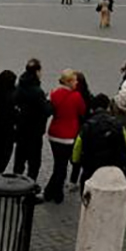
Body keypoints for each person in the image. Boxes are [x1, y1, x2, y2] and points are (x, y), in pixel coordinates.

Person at [43, 70, 88, 204]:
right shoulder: (76, 96)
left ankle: (50, 192)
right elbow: (82, 111)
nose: (77, 82)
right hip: (68, 135)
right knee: (61, 167)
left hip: (54, 133)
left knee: (59, 164)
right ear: (68, 82)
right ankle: (55, 193)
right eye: (74, 80)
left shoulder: (54, 93)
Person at [72, 94, 126, 186]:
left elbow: (77, 146)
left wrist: (75, 161)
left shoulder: (87, 125)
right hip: (113, 166)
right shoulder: (119, 125)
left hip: (91, 166)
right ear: (108, 107)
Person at [13, 58, 50, 181]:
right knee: (34, 164)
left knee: (19, 161)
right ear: (37, 72)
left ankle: (16, 186)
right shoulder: (37, 91)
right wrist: (49, 102)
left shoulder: (20, 86)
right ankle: (29, 190)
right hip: (34, 132)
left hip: (21, 129)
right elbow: (46, 110)